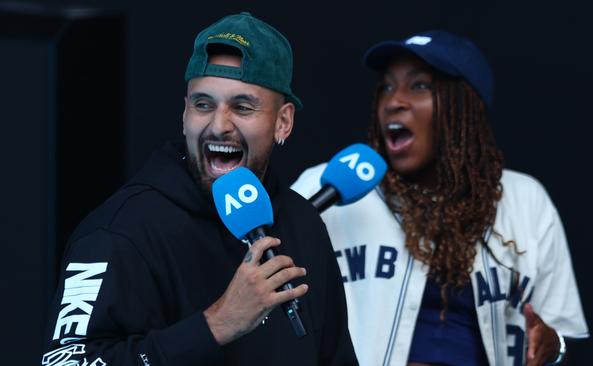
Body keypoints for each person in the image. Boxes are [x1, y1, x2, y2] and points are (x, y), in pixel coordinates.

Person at [42, 12, 357, 366]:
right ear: (184, 114)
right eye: (203, 104)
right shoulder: (120, 230)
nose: (219, 126)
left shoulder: (304, 224)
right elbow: (65, 361)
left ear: (283, 122)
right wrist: (215, 325)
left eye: (242, 106)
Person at [292, 30, 589, 366]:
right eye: (386, 87)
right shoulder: (328, 186)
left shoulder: (526, 201)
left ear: (465, 107)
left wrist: (554, 346)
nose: (394, 101)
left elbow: (559, 334)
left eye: (419, 86)